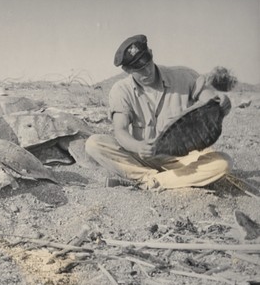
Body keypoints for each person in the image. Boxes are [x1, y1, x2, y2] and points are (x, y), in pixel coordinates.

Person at [85, 34, 233, 190]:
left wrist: (220, 105)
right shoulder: (121, 90)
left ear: (151, 53)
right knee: (94, 144)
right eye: (139, 69)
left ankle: (149, 182)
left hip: (184, 158)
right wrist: (139, 146)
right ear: (127, 70)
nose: (147, 71)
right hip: (143, 156)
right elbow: (120, 131)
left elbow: (209, 101)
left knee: (223, 163)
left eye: (148, 63)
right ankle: (158, 178)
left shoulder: (183, 76)